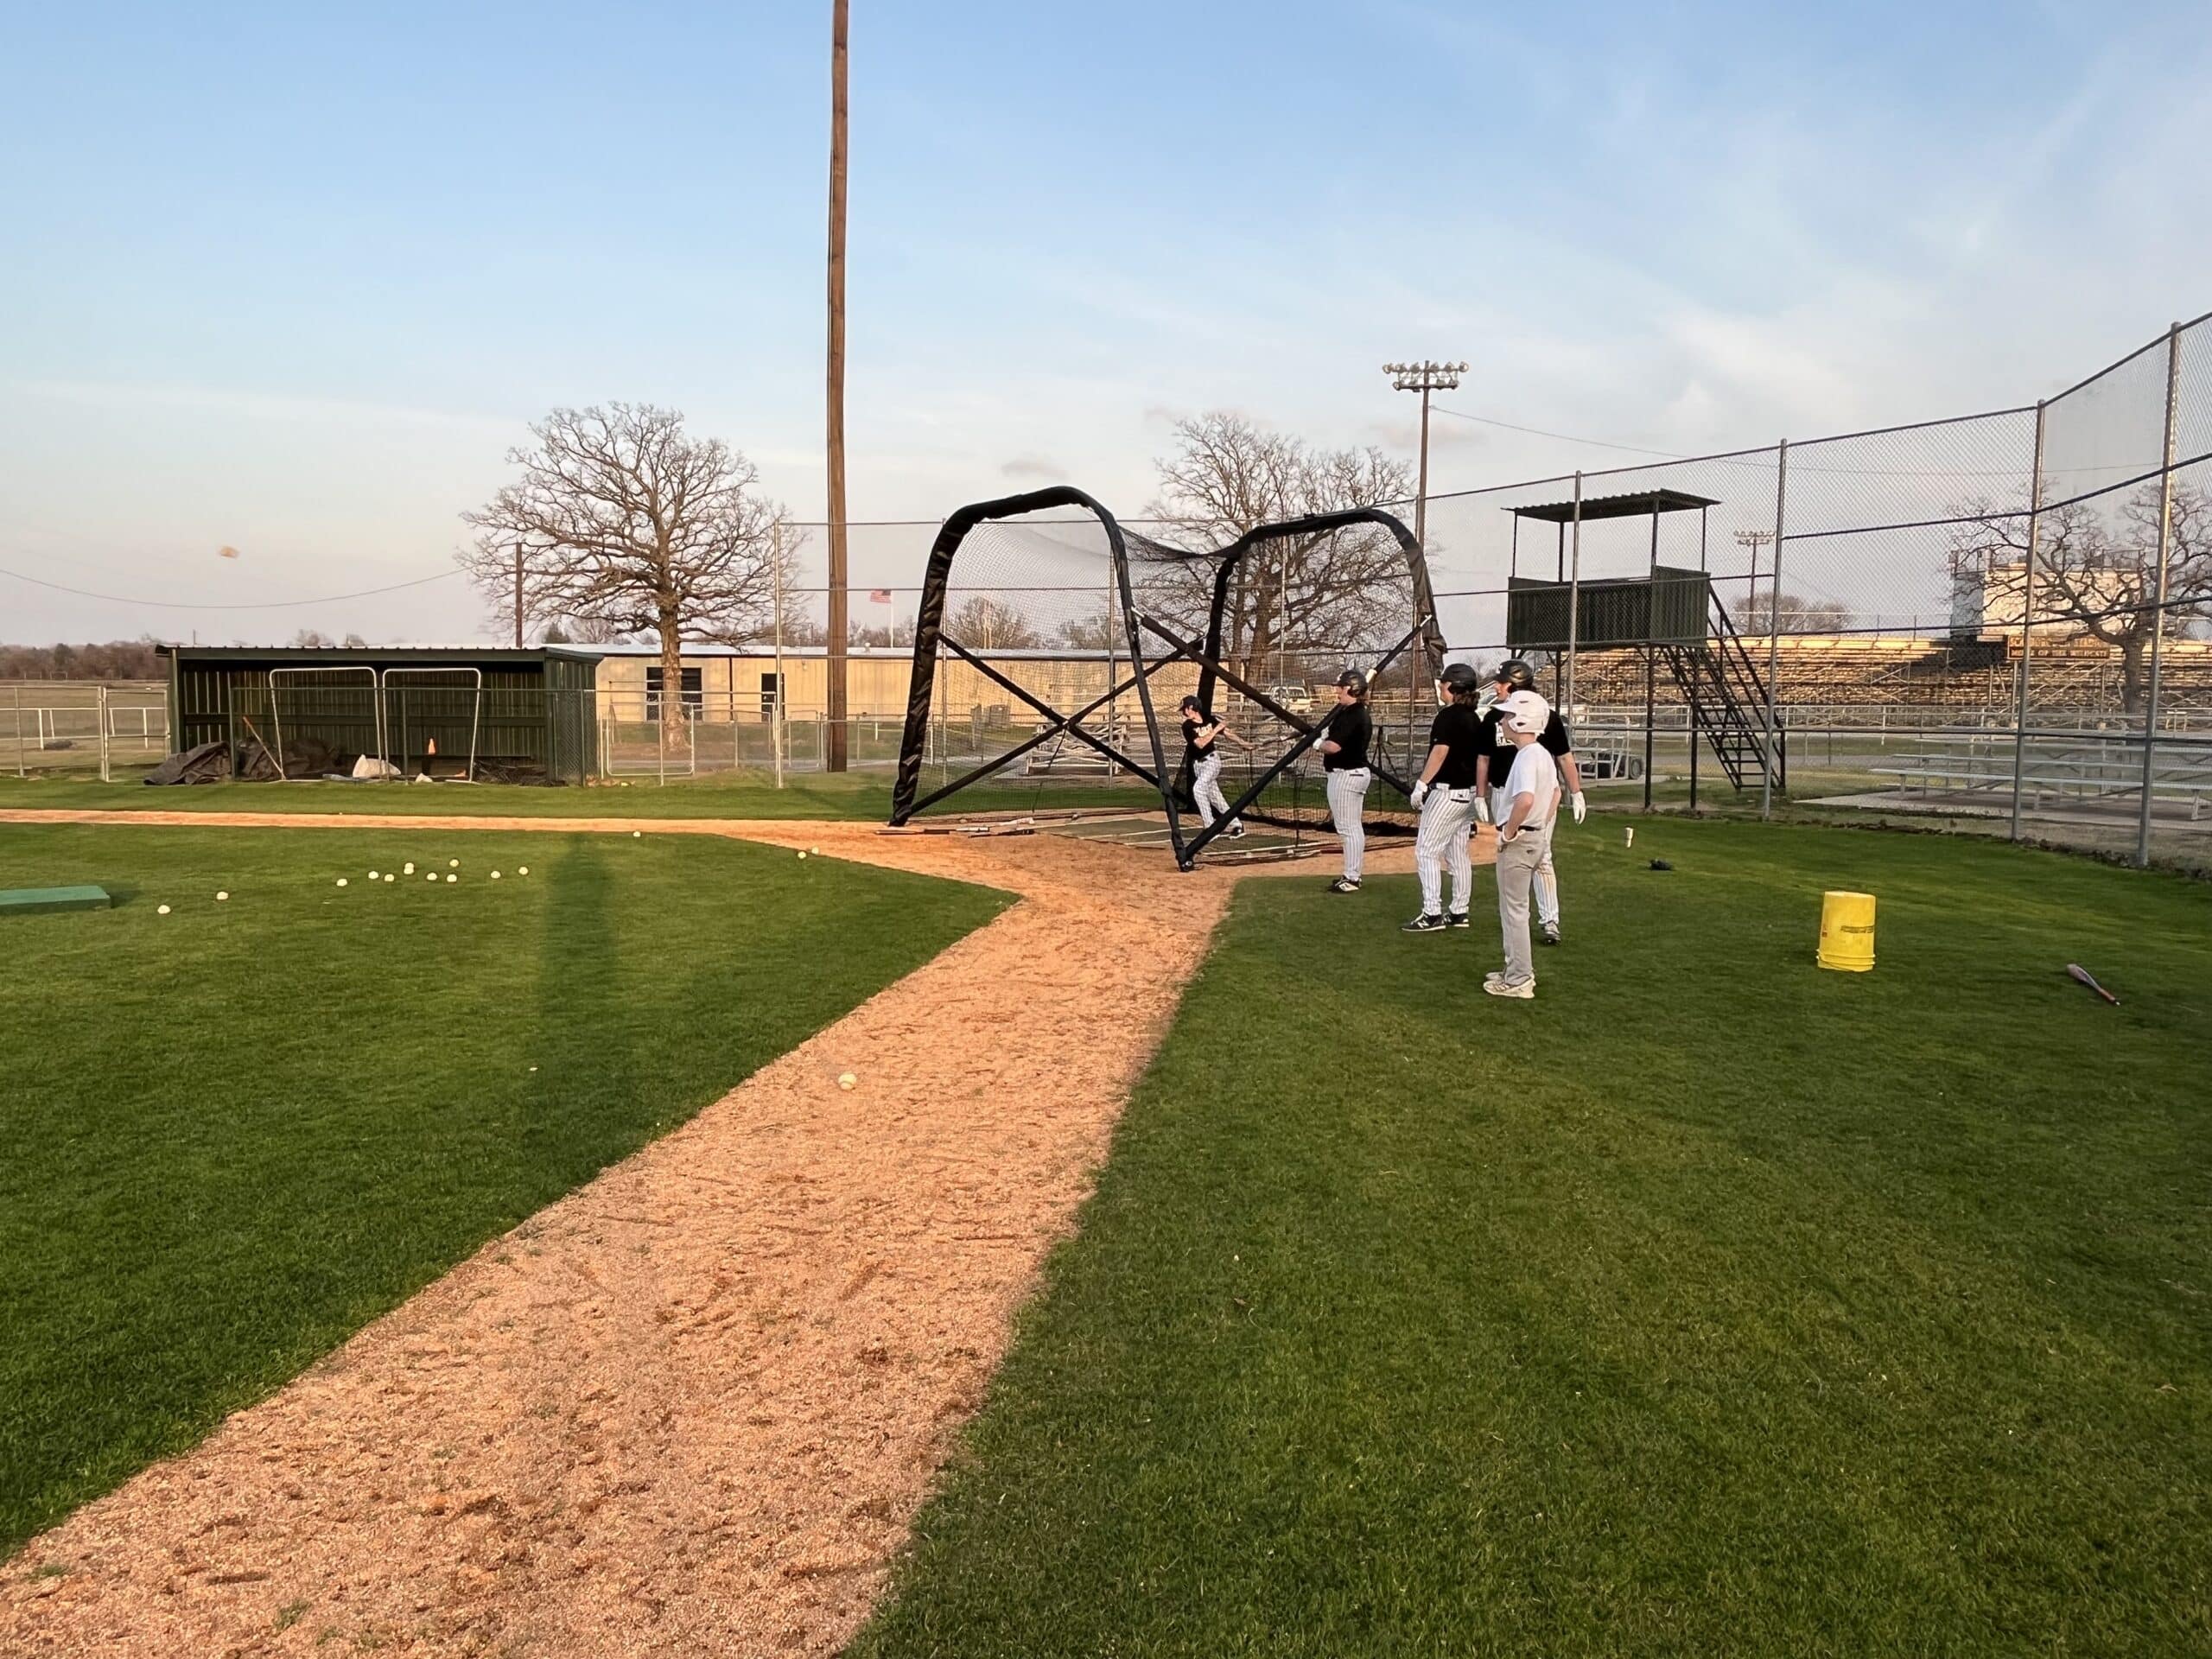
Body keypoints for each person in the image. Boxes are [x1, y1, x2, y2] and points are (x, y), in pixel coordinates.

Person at [1473, 658, 1586, 946]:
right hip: (1503, 792)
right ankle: (1515, 918)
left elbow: (1564, 757)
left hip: (1536, 798)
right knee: (1509, 857)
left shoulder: (1544, 716)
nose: (1497, 686)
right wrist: (1481, 793)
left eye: (1501, 681)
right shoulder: (1494, 717)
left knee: (1542, 856)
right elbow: (1484, 757)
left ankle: (1550, 920)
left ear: (1514, 684)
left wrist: (1576, 791)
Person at [1487, 688, 1564, 999]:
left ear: (1521, 721)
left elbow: (1525, 798)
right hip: (1535, 837)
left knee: (1514, 911)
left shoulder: (1527, 756)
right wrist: (1539, 825)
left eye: (1508, 716)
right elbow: (1556, 794)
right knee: (1515, 909)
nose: (1503, 721)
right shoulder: (1541, 753)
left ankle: (1519, 978)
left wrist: (1509, 832)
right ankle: (1513, 968)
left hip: (1519, 841)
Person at [1401, 661, 1487, 933]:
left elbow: (1440, 753)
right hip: (1469, 794)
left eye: (1443, 683)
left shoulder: (1449, 715)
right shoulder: (1473, 716)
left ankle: (1432, 913)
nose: (1440, 687)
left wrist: (1421, 784)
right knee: (1457, 853)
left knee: (1426, 851)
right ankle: (1459, 911)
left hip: (1448, 794)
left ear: (1452, 686)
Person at [1315, 668, 1372, 893]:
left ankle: (1352, 877)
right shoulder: (1349, 711)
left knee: (1348, 828)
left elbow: (1333, 746)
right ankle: (1352, 875)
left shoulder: (1355, 714)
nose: (1337, 691)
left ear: (1349, 688)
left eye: (1340, 687)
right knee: (1351, 827)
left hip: (1347, 774)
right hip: (1350, 773)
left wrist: (1316, 744)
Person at [1179, 694, 1252, 838]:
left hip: (1212, 761)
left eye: (1185, 709)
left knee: (1198, 789)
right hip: (1198, 765)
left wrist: (1243, 743)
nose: (1183, 712)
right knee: (1215, 797)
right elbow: (1200, 744)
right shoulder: (1187, 726)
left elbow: (1227, 733)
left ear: (1192, 708)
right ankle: (1236, 825)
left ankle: (1210, 827)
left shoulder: (1208, 718)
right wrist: (1215, 729)